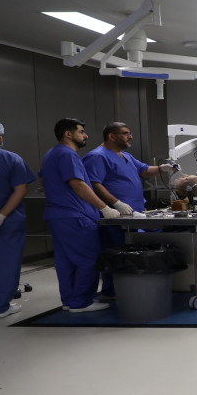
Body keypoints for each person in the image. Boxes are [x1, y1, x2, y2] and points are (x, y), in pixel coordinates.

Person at [83, 122, 176, 299]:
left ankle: (129, 288)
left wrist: (162, 168)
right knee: (115, 253)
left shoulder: (125, 155)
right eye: (125, 133)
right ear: (112, 136)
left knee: (128, 253)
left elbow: (145, 170)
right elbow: (94, 184)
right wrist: (116, 203)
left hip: (134, 215)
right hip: (115, 217)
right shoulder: (97, 156)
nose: (130, 136)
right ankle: (111, 291)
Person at [40, 118, 121, 313]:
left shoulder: (52, 154)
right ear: (68, 134)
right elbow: (78, 184)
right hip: (75, 216)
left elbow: (44, 180)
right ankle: (82, 301)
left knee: (66, 261)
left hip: (57, 215)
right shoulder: (68, 154)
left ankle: (69, 300)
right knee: (89, 258)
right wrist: (104, 208)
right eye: (81, 132)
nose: (86, 136)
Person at [0, 119, 37, 319]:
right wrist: (0, 215)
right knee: (7, 262)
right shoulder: (11, 158)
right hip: (9, 221)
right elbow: (20, 189)